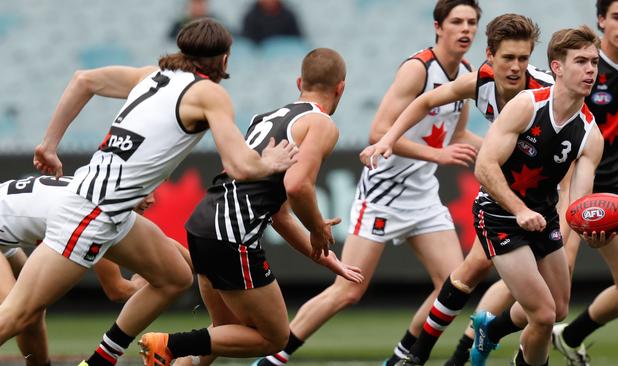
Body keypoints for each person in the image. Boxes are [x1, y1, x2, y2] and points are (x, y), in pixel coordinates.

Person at [0, 18, 297, 366]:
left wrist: (49, 145)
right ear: (226, 59)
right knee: (19, 315)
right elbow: (240, 166)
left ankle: (99, 361)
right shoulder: (209, 93)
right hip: (91, 213)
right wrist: (270, 162)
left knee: (172, 276)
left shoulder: (153, 75)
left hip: (108, 208)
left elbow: (84, 80)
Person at [255, 2, 481, 366]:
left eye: (472, 22)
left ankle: (403, 357)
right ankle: (274, 358)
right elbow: (379, 132)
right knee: (349, 289)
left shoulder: (468, 73)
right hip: (384, 194)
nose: (465, 29)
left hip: (423, 195)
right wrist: (436, 155)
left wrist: (508, 152)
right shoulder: (417, 70)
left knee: (452, 285)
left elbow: (459, 135)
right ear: (438, 27)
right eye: (457, 21)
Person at [137, 47, 364, 366]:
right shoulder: (321, 124)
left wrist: (328, 261)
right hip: (232, 235)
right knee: (275, 337)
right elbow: (298, 186)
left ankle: (171, 351)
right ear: (341, 87)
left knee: (223, 336)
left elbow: (280, 214)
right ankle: (170, 344)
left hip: (203, 223)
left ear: (299, 81)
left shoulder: (266, 119)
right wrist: (316, 227)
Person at [360, 13, 554, 366]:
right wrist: (388, 140)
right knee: (502, 284)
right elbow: (425, 102)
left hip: (545, 195)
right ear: (490, 56)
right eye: (507, 58)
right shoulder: (479, 81)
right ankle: (432, 354)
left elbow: (576, 140)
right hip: (508, 194)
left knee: (536, 293)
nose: (515, 68)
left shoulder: (545, 91)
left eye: (523, 59)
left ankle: (466, 343)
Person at [466, 26, 608, 366]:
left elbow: (578, 205)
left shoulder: (591, 134)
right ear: (557, 67)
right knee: (544, 315)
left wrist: (591, 232)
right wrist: (518, 210)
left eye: (594, 62)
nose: (590, 70)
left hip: (543, 217)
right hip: (499, 214)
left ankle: (492, 330)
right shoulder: (526, 106)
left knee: (558, 308)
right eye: (581, 61)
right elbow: (484, 166)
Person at [552, 1, 618, 365]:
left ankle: (570, 337)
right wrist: (563, 195)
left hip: (612, 186)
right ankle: (504, 340)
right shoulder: (587, 65)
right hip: (572, 179)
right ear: (601, 20)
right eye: (617, 17)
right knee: (557, 283)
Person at [0, 175, 165, 366]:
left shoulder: (102, 195)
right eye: (145, 190)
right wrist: (149, 283)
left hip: (5, 226)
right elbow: (118, 290)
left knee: (29, 312)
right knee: (14, 313)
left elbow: (178, 260)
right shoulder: (98, 215)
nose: (152, 199)